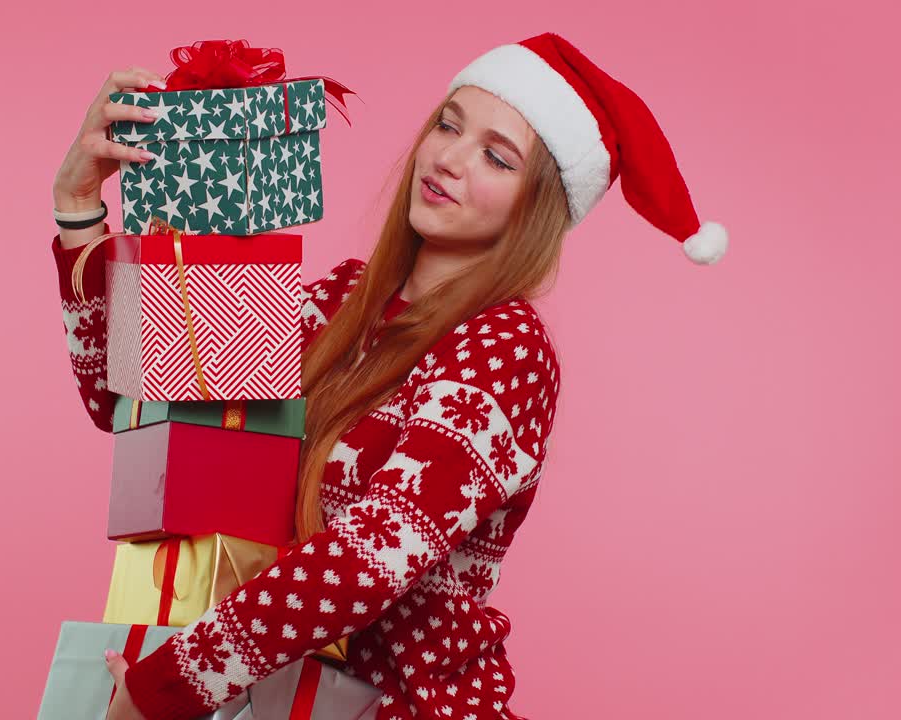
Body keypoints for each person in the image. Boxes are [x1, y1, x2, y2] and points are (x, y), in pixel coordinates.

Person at [49, 32, 727, 720]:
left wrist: (165, 687)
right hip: (266, 701)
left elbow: (369, 557)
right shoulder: (337, 303)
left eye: (496, 157)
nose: (450, 160)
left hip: (405, 706)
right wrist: (78, 206)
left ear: (538, 206)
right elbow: (137, 406)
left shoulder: (505, 349)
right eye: (448, 124)